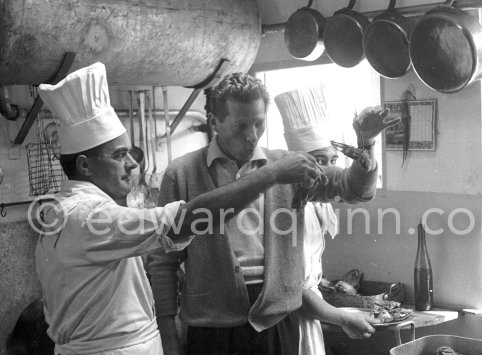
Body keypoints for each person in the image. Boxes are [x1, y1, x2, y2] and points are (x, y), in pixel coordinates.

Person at [34, 63, 323, 355]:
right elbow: (183, 223)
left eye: (130, 153)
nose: (133, 164)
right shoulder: (89, 217)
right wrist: (270, 175)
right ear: (84, 165)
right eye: (119, 155)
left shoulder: (62, 211)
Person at [148, 72, 400, 355]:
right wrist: (168, 333)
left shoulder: (288, 166)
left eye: (258, 123)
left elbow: (354, 188)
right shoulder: (182, 173)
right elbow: (163, 261)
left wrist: (365, 146)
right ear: (215, 121)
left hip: (279, 320)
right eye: (240, 125)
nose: (251, 135)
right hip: (212, 327)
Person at [274, 85, 388, 355]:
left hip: (309, 317)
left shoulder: (316, 203)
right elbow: (294, 289)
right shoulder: (282, 207)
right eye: (318, 161)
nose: (327, 170)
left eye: (333, 160)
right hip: (284, 323)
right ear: (296, 162)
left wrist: (366, 145)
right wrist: (340, 317)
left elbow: (359, 190)